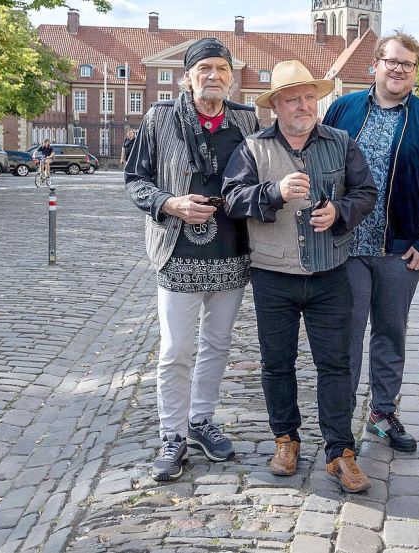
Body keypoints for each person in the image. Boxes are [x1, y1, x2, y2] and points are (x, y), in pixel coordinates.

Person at [223, 60, 378, 493]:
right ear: (275, 105)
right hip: (273, 275)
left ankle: (340, 451)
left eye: (309, 97)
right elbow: (232, 199)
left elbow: (366, 192)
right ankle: (285, 439)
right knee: (278, 364)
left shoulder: (341, 142)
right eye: (293, 98)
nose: (303, 105)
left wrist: (340, 212)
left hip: (329, 272)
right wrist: (272, 192)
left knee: (335, 364)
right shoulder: (253, 147)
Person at [125, 37, 259, 482]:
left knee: (217, 345)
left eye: (222, 68)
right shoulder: (160, 117)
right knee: (177, 349)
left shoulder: (245, 119)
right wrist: (169, 203)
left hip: (230, 252)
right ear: (187, 77)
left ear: (231, 76)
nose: (214, 76)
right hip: (176, 251)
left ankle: (200, 420)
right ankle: (172, 434)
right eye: (204, 69)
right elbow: (135, 180)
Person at [323, 32, 419, 452]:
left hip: (400, 250)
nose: (398, 69)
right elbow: (319, 165)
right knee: (346, 336)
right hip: (345, 245)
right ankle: (339, 423)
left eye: (408, 64)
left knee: (390, 332)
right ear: (376, 65)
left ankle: (382, 413)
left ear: (415, 71)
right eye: (392, 61)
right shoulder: (343, 109)